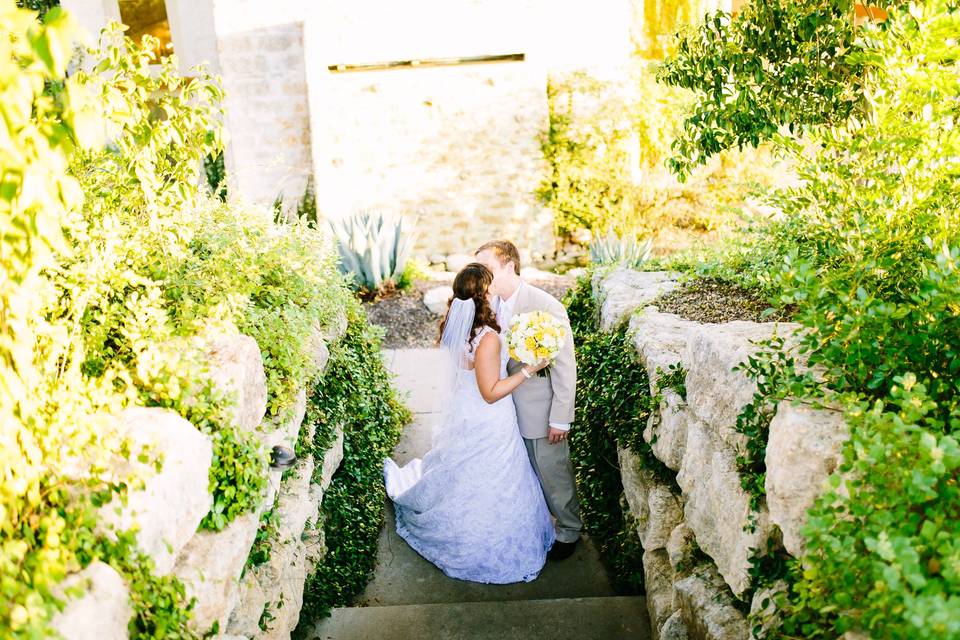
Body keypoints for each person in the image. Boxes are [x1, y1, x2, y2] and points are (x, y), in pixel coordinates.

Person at [383, 263, 555, 583]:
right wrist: (529, 370)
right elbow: (490, 393)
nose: (494, 290)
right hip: (489, 421)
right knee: (494, 478)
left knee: (464, 473)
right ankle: (481, 542)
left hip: (465, 413)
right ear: (484, 293)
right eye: (490, 286)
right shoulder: (488, 338)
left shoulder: (457, 324)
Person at [475, 240, 583, 560]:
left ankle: (569, 529)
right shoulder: (487, 304)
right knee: (522, 474)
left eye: (488, 270)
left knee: (552, 471)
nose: (484, 278)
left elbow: (564, 366)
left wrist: (560, 417)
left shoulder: (545, 305)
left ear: (509, 266)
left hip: (538, 409)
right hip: (502, 409)